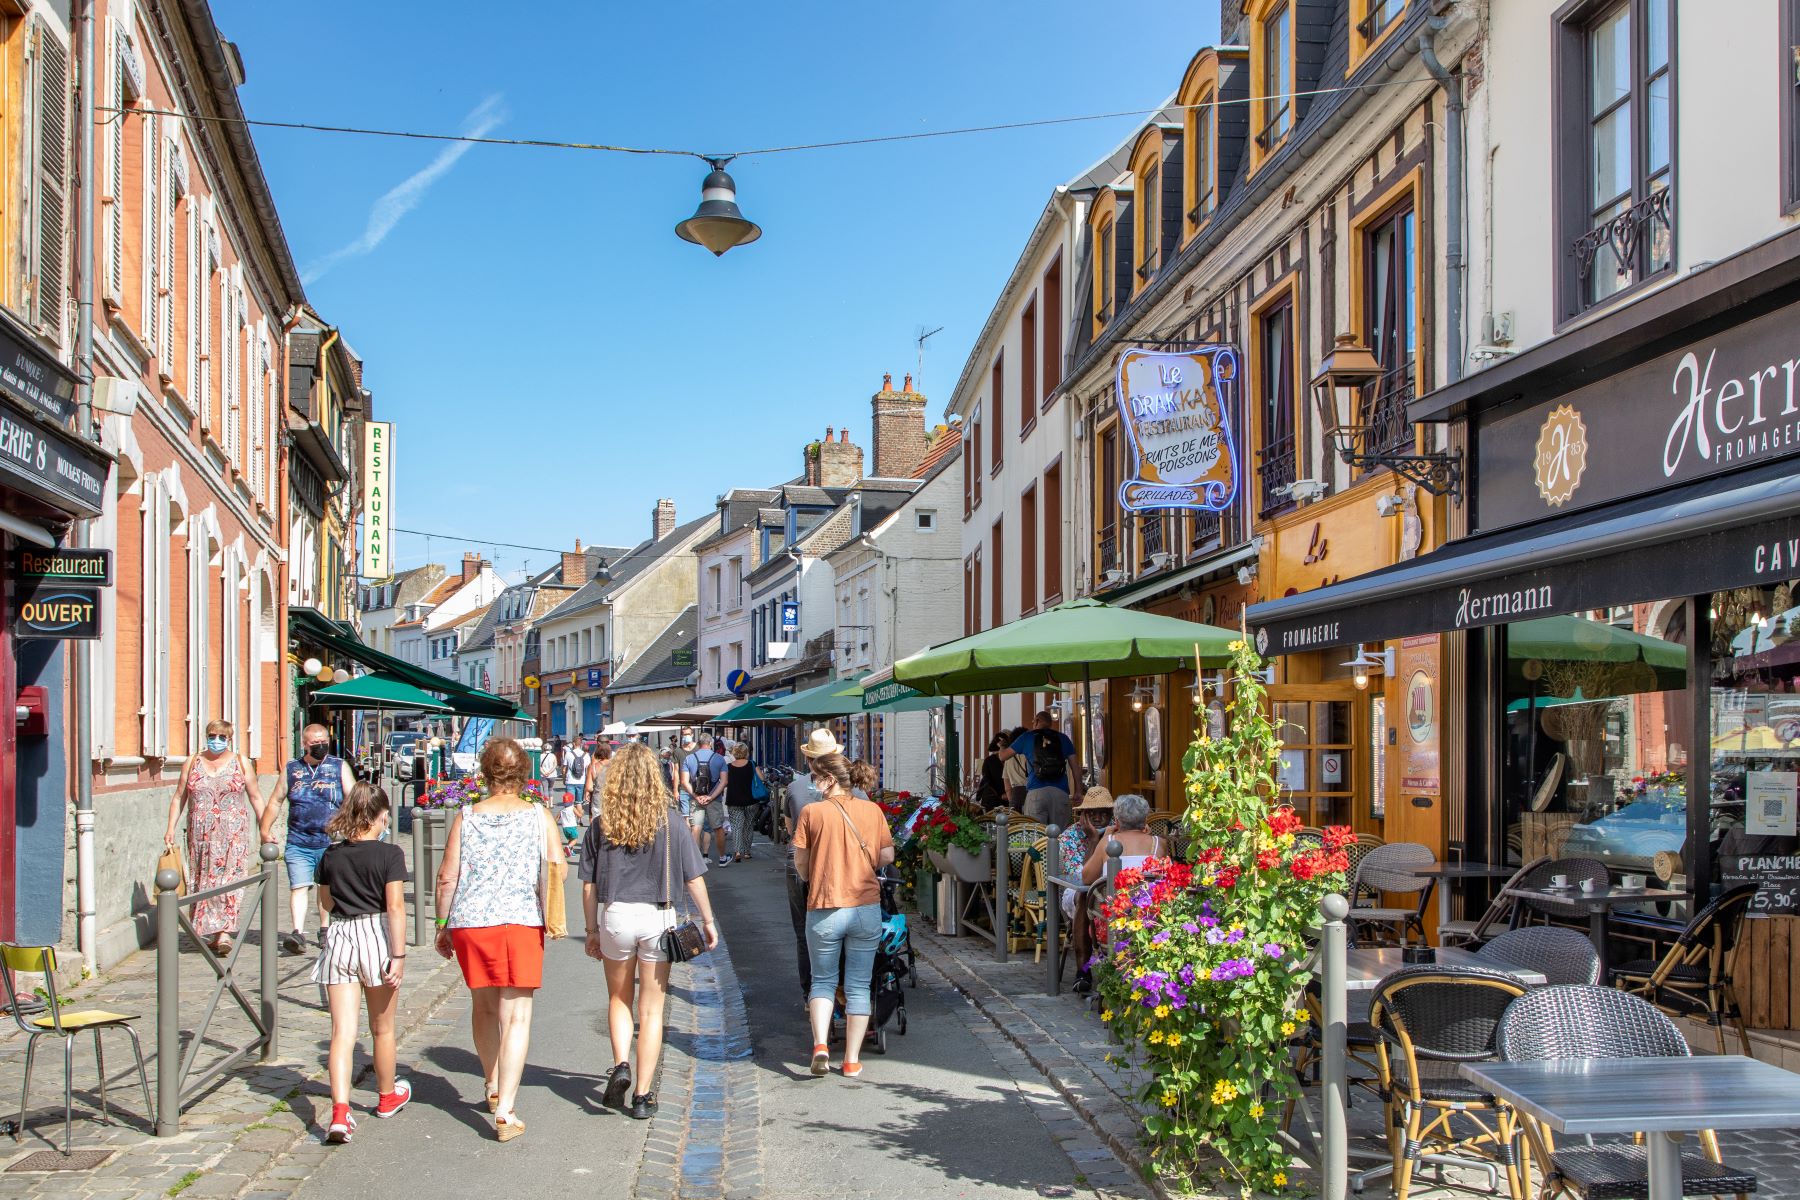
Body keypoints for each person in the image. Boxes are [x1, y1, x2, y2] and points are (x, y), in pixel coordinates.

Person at [434, 738, 565, 1142]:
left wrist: (442, 923)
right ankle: (506, 1110)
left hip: (472, 921)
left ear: (485, 772)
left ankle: (492, 1084)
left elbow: (447, 876)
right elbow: (558, 866)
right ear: (524, 772)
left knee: (484, 1006)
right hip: (520, 920)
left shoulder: (467, 816)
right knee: (517, 1015)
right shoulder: (538, 815)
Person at [579, 743, 718, 1120]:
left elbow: (589, 885)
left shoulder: (602, 824)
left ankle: (621, 1064)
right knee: (652, 1010)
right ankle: (642, 1095)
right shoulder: (672, 823)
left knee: (618, 998)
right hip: (658, 917)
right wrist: (707, 921)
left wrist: (591, 929)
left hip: (617, 916)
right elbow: (694, 879)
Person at [313, 783, 411, 1143]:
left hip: (340, 936)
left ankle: (340, 1112)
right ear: (381, 816)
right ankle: (386, 1096)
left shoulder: (331, 856)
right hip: (376, 935)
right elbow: (395, 907)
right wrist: (398, 955)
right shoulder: (390, 854)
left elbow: (326, 902)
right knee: (382, 1028)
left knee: (342, 1032)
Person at [792, 750, 894, 1080]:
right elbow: (887, 855)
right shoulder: (872, 810)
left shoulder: (812, 812)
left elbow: (801, 861)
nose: (813, 783)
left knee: (822, 981)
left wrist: (812, 877)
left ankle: (821, 1045)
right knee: (859, 985)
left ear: (829, 780)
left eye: (816, 777)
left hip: (824, 906)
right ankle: (851, 1060)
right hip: (864, 906)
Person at [165, 720, 265, 957]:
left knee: (228, 881)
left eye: (221, 736)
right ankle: (212, 930)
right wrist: (170, 828)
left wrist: (265, 828)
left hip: (233, 836)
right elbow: (179, 796)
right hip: (200, 838)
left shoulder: (241, 762)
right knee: (204, 881)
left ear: (229, 739)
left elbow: (255, 797)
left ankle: (224, 932)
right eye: (212, 735)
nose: (216, 740)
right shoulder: (193, 762)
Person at [260, 724, 355, 956]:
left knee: (326, 887)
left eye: (324, 742)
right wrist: (264, 829)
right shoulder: (292, 769)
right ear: (305, 744)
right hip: (299, 839)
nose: (320, 746)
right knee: (299, 886)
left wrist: (355, 827)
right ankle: (298, 932)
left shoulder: (338, 766)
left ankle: (325, 928)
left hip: (331, 841)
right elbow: (275, 801)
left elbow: (353, 797)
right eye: (315, 743)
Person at [784, 732, 833, 999]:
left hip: (799, 860)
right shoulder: (854, 790)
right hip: (836, 862)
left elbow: (790, 827)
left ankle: (810, 992)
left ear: (808, 758)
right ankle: (837, 989)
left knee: (804, 930)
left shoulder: (795, 788)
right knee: (837, 927)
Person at [1004, 711, 1081, 828]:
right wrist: (1078, 791)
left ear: (1037, 721)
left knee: (1036, 834)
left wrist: (1001, 745)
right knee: (1060, 835)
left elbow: (1003, 756)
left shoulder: (1027, 737)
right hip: (1060, 793)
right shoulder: (1063, 738)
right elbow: (1075, 767)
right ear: (1050, 723)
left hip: (1036, 792)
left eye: (1033, 721)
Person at [1080, 793, 1163, 886]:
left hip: (1113, 895)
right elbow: (1164, 877)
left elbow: (1087, 879)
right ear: (1145, 820)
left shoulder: (1107, 842)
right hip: (1149, 895)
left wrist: (1105, 837)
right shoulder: (1159, 843)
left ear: (1116, 821)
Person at [681, 733, 730, 866]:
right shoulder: (719, 759)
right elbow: (724, 781)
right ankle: (722, 858)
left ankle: (694, 862)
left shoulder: (689, 758)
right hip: (714, 799)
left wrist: (696, 796)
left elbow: (684, 782)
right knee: (718, 828)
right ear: (711, 744)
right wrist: (711, 797)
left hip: (695, 798)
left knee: (696, 828)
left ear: (698, 744)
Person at [723, 742, 767, 863]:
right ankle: (747, 852)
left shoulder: (728, 766)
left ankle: (738, 851)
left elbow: (724, 782)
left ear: (734, 753)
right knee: (748, 826)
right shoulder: (752, 764)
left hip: (734, 800)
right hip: (751, 800)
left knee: (736, 826)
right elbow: (762, 778)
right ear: (746, 752)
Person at [976, 734, 1009, 809]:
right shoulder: (990, 761)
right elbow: (987, 781)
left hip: (1004, 799)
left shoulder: (1009, 759)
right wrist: (1001, 795)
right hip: (992, 800)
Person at [582, 743, 613, 822]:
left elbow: (589, 787)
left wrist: (588, 792)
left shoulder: (592, 767)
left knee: (597, 823)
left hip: (598, 799)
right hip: (612, 799)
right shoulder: (615, 766)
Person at [1002, 727, 1029, 810]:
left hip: (1015, 795)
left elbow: (1007, 786)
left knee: (1016, 817)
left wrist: (1012, 802)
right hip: (1031, 792)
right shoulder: (1030, 754)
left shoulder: (1008, 758)